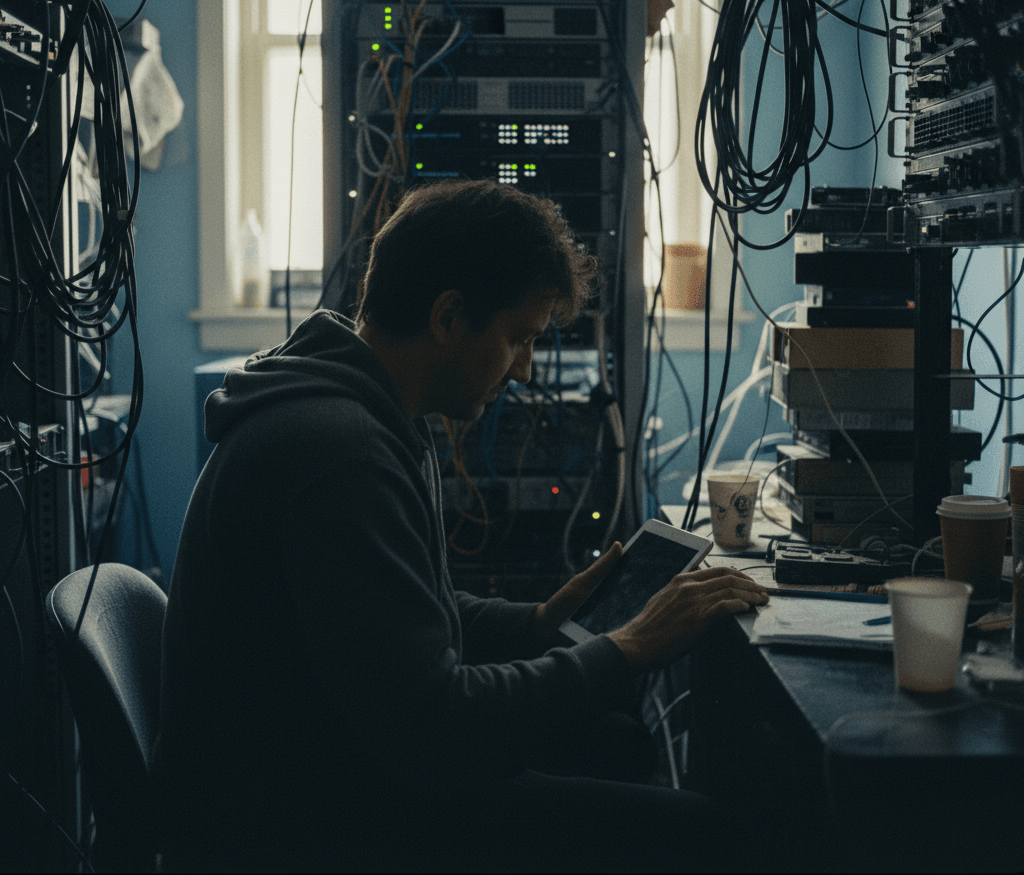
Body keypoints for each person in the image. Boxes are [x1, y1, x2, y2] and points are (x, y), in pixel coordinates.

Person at [153, 179, 768, 873]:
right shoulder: (341, 452)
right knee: (708, 835)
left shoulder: (355, 414)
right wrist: (627, 648)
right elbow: (436, 731)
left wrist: (536, 622)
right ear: (448, 317)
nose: (525, 369)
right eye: (518, 338)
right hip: (297, 827)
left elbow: (395, 620)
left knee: (611, 737)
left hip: (323, 770)